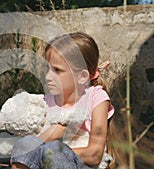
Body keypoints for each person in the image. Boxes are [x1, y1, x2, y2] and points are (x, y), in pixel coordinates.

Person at [10, 32, 115, 169]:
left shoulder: (96, 97)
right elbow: (30, 150)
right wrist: (57, 131)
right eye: (47, 69)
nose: (48, 77)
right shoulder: (47, 102)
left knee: (54, 149)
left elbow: (95, 155)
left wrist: (52, 151)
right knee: (25, 143)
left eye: (57, 70)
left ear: (82, 77)